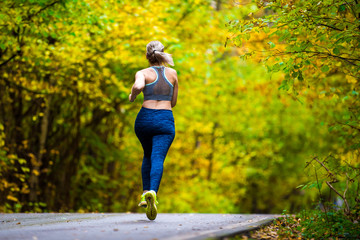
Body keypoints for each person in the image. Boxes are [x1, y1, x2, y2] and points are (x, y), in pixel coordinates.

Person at [129, 41, 178, 220]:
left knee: (147, 155)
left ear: (147, 56)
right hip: (164, 120)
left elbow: (138, 86)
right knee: (158, 157)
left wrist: (133, 96)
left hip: (144, 119)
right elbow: (173, 102)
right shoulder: (173, 74)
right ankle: (152, 192)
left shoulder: (142, 73)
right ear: (162, 54)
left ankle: (144, 194)